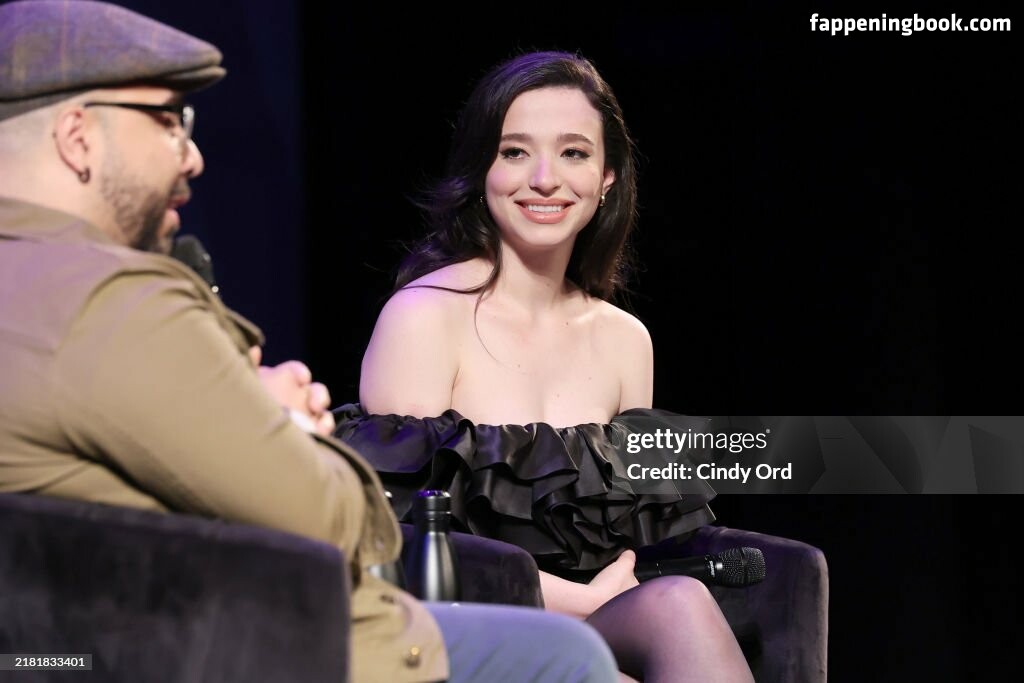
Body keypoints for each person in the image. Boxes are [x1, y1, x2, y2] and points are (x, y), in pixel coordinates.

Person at [0, 4, 620, 682]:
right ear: (78, 138)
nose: (193, 155)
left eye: (574, 153)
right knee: (572, 655)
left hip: (133, 639)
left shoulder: (34, 288)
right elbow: (344, 522)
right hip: (262, 644)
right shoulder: (115, 302)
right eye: (169, 120)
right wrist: (284, 423)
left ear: (609, 178)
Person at [334, 51, 755, 682]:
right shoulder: (423, 317)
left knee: (679, 603)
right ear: (483, 169)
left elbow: (632, 537)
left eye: (573, 153)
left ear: (606, 178)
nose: (544, 179)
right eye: (514, 152)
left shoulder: (625, 341)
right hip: (465, 625)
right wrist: (577, 603)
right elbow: (405, 540)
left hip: (605, 622)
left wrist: (599, 604)